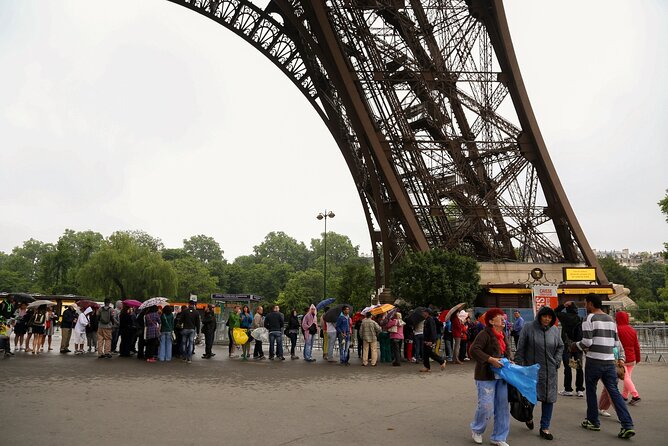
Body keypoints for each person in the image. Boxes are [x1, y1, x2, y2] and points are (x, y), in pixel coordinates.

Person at [572, 294, 635, 439]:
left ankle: (593, 421)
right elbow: (616, 343)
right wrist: (620, 358)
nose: (584, 306)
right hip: (609, 362)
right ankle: (627, 425)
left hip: (594, 362)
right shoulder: (611, 319)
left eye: (586, 303)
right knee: (614, 393)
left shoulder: (589, 318)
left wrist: (574, 346)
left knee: (591, 391)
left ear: (591, 304)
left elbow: (586, 343)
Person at [515, 306, 564, 440]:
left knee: (549, 399)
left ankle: (545, 427)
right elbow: (521, 348)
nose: (547, 319)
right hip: (532, 371)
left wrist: (557, 361)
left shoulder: (554, 330)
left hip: (550, 371)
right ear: (540, 316)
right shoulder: (528, 327)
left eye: (550, 317)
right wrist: (520, 367)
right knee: (530, 398)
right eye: (544, 316)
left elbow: (560, 346)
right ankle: (528, 416)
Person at [469, 308, 512, 446]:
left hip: (502, 376)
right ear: (492, 321)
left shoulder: (503, 333)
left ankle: (499, 437)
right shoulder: (484, 334)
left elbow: (507, 351)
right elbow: (474, 350)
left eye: (503, 317)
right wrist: (490, 359)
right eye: (500, 317)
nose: (503, 319)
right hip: (485, 375)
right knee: (486, 406)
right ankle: (477, 429)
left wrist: (509, 359)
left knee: (502, 407)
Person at [555, 301, 584, 397]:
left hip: (567, 345)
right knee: (579, 367)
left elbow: (555, 311)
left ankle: (568, 389)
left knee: (568, 368)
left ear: (567, 308)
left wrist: (563, 305)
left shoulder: (564, 316)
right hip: (578, 345)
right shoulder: (580, 318)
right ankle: (580, 389)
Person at [614, 311, 642, 405]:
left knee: (626, 378)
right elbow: (636, 346)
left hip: (622, 358)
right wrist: (638, 358)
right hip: (632, 358)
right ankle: (624, 396)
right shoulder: (632, 330)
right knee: (627, 377)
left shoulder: (616, 329)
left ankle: (635, 395)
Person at [420, 308, 446, 372]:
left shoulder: (430, 320)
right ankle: (427, 367)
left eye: (424, 312)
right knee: (425, 354)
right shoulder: (426, 320)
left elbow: (433, 331)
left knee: (430, 353)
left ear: (427, 313)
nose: (423, 313)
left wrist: (431, 341)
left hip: (429, 340)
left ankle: (441, 361)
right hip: (426, 339)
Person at [180, 300, 201, 364]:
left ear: (188, 304)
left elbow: (181, 320)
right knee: (191, 343)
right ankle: (189, 358)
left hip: (185, 329)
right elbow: (198, 323)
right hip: (192, 329)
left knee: (184, 343)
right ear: (194, 304)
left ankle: (184, 356)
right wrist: (197, 331)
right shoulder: (196, 312)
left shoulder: (185, 311)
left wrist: (179, 324)